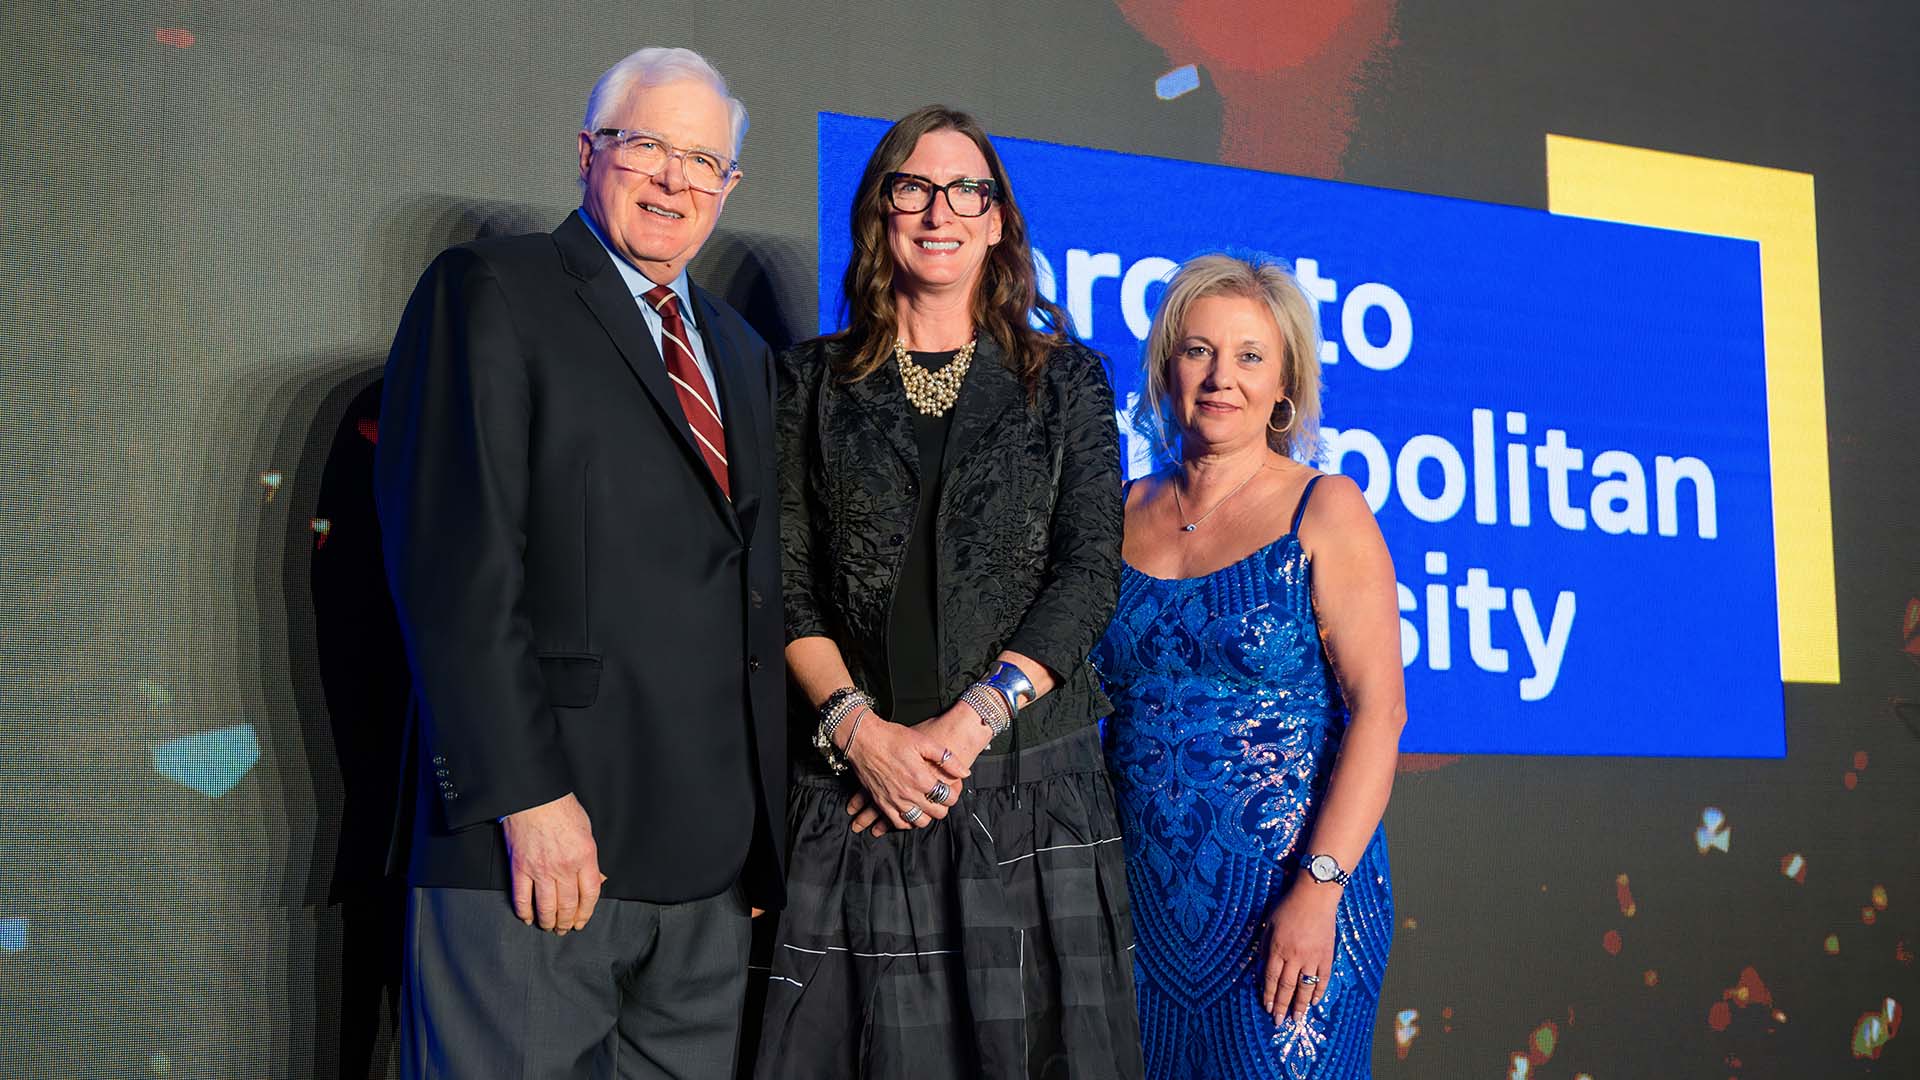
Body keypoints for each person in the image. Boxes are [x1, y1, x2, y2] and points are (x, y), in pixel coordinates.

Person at [374, 47, 785, 1078]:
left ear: (728, 186)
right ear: (587, 154)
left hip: (711, 873)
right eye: (645, 144)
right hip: (537, 848)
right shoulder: (490, 291)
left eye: (703, 160)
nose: (674, 179)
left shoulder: (738, 349)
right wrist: (528, 801)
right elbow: (454, 563)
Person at [753, 105, 1143, 1079]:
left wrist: (963, 729)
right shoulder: (807, 381)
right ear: (881, 209)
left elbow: (1089, 573)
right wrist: (860, 733)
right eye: (914, 187)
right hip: (855, 797)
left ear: (999, 220)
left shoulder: (1067, 383)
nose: (941, 210)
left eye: (968, 189)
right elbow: (781, 582)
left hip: (1031, 797)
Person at [1091, 254, 1404, 1078]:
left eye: (1249, 356)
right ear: (1167, 367)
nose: (1221, 377)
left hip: (1289, 906)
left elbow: (1381, 711)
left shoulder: (1325, 507)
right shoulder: (1115, 512)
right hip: (1138, 911)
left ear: (1284, 384)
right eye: (1198, 351)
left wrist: (1320, 887)